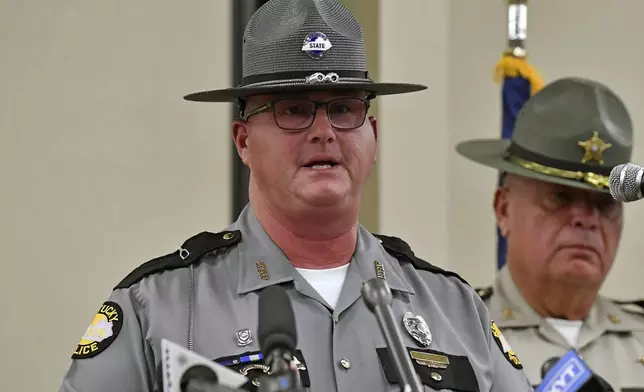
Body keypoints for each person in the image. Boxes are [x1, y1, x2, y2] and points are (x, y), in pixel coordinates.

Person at [58, 0, 534, 391]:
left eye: (344, 109)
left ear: (372, 136)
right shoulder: (158, 308)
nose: (324, 132)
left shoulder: (453, 308)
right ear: (243, 141)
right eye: (294, 110)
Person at [456, 77, 644, 389]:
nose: (586, 220)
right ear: (503, 210)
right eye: (561, 198)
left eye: (604, 203)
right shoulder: (455, 333)